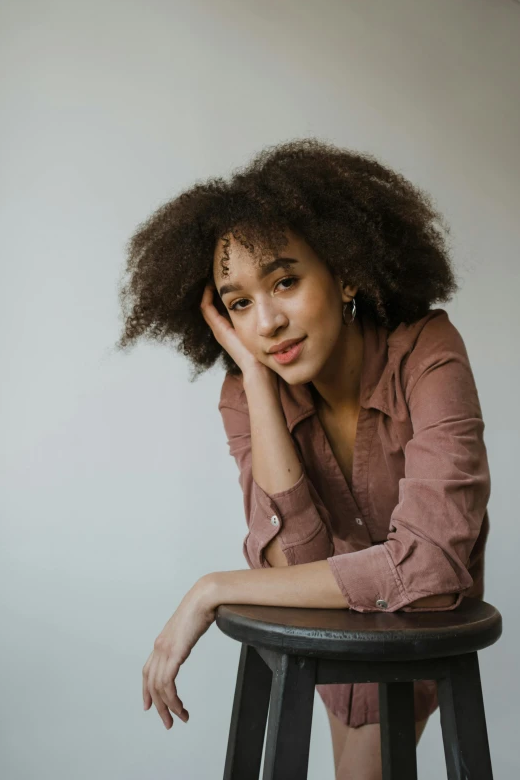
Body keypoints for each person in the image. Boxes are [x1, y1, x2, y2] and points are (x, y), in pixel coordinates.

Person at [116, 138, 491, 780]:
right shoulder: (246, 390)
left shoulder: (428, 351)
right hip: (331, 627)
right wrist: (259, 389)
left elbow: (429, 570)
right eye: (239, 303)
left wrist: (213, 589)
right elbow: (296, 568)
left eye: (285, 282)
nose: (266, 323)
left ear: (344, 271)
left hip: (414, 634)